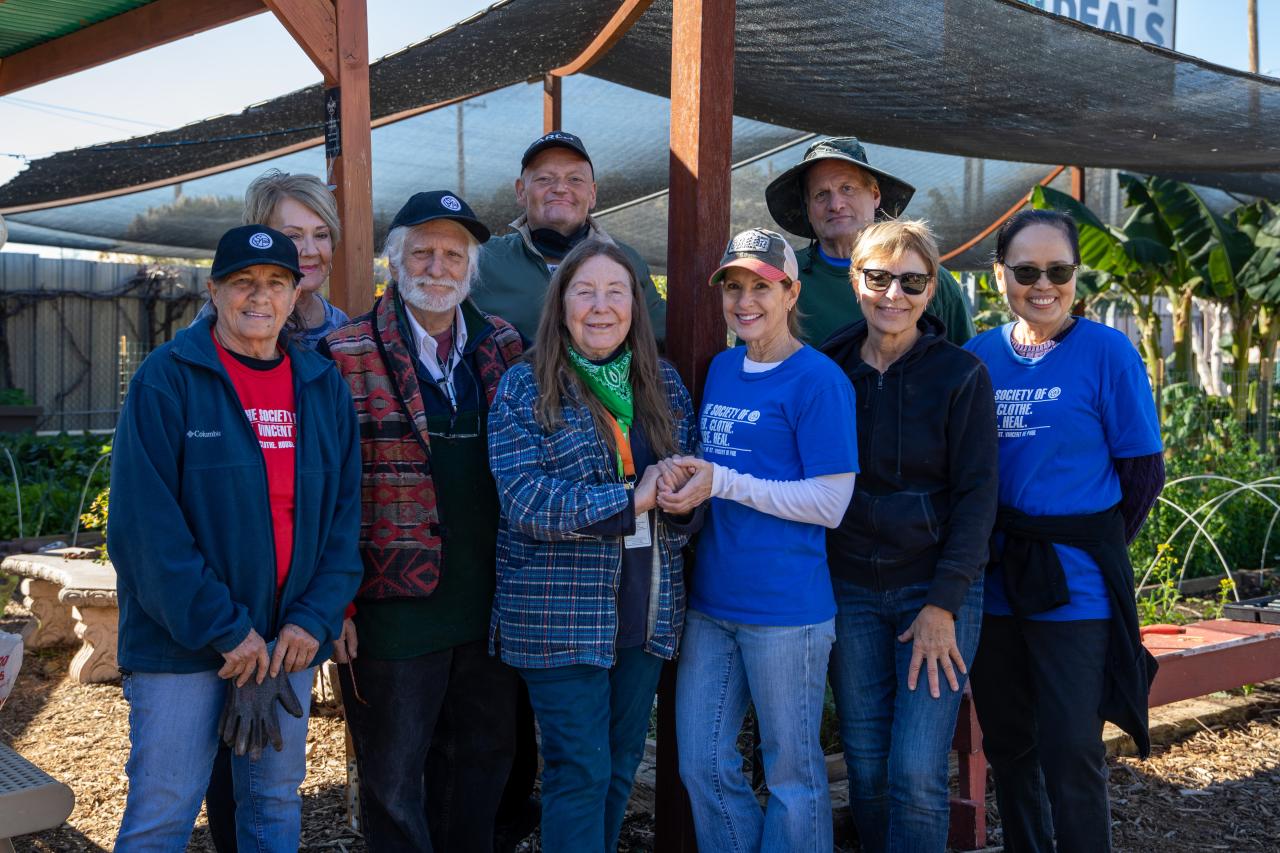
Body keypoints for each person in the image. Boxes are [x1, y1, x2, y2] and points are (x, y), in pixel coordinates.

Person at [109, 225, 361, 851]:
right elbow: (145, 531)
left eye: (276, 282)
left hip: (285, 643)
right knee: (164, 810)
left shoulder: (320, 385)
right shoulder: (168, 378)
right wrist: (225, 629)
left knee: (273, 805)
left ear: (294, 292)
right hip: (185, 645)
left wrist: (311, 621)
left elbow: (343, 521)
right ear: (214, 289)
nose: (260, 296)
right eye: (243, 282)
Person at [322, 191, 525, 852]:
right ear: (395, 260)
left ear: (471, 266)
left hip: (490, 602)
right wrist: (338, 605)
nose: (438, 266)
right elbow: (327, 493)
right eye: (423, 252)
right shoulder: (344, 351)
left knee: (484, 761)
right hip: (391, 610)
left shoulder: (501, 345)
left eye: (453, 254)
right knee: (394, 779)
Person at [487, 238, 699, 852]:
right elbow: (525, 500)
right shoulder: (525, 386)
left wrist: (683, 503)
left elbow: (682, 484)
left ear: (635, 304)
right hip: (558, 614)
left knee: (618, 765)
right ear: (561, 305)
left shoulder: (663, 382)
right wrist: (634, 497)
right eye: (586, 291)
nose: (601, 306)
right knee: (579, 769)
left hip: (646, 608)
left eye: (616, 291)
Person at [964, 209, 1164, 853]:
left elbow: (1142, 475)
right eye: (1026, 271)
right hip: (995, 584)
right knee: (1008, 744)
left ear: (1076, 277)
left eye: (1058, 271)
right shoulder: (980, 357)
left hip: (1075, 589)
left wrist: (1091, 543)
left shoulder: (1106, 351)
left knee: (1073, 746)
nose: (1042, 284)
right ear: (1001, 276)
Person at [663, 228, 859, 852]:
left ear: (791, 292)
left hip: (787, 613)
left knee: (793, 776)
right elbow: (715, 474)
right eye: (734, 288)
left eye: (761, 287)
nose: (745, 301)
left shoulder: (819, 381)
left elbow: (830, 504)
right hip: (713, 604)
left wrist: (725, 481)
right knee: (701, 763)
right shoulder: (721, 368)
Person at [819, 220, 998, 852]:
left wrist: (943, 604)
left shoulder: (961, 376)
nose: (893, 294)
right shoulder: (828, 368)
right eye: (878, 277)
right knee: (865, 765)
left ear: (931, 288)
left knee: (916, 771)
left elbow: (979, 500)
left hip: (934, 590)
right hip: (851, 590)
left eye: (912, 280)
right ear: (855, 279)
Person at [200, 168, 351, 853]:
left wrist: (335, 607)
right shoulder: (214, 335)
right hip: (222, 591)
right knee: (220, 759)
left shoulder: (344, 340)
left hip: (307, 593)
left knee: (275, 767)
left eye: (322, 234)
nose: (311, 248)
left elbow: (351, 486)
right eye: (295, 233)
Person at [764, 136, 975, 347]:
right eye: (821, 194)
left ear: (875, 195)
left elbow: (968, 367)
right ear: (807, 208)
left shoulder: (924, 278)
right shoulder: (783, 278)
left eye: (847, 188)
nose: (836, 205)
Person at [474, 131, 666, 342]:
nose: (560, 188)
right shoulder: (482, 258)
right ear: (521, 191)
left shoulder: (626, 260)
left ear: (592, 194)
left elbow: (662, 338)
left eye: (575, 179)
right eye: (545, 179)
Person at [194, 169, 350, 348]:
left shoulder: (342, 326)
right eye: (293, 236)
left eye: (321, 235)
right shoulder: (224, 318)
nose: (311, 251)